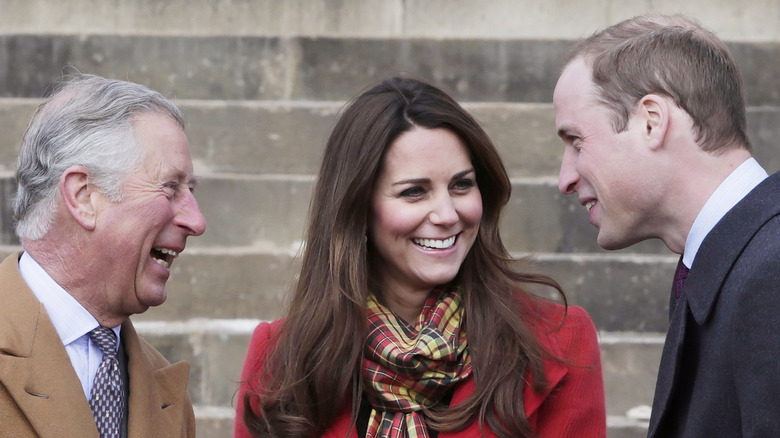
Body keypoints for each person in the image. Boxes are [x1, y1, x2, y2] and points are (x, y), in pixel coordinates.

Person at [235, 76, 605, 438]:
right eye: (414, 192)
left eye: (462, 185)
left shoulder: (560, 341)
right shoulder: (281, 357)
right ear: (358, 208)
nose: (446, 214)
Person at [554, 14, 780, 438]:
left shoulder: (771, 271)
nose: (565, 178)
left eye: (576, 141)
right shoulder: (736, 263)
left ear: (652, 121)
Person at [0, 74, 206, 437]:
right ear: (83, 197)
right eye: (170, 188)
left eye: (189, 190)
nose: (196, 221)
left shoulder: (165, 391)